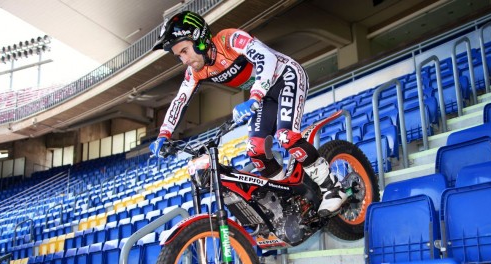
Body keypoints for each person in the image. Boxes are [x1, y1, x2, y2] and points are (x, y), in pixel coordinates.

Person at [149, 11, 347, 216]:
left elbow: (267, 58)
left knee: (286, 136)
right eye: (179, 56)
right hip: (264, 95)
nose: (184, 60)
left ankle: (333, 188)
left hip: (287, 77)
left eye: (184, 51)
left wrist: (255, 96)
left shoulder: (229, 39)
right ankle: (290, 198)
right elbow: (180, 100)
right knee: (255, 150)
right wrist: (164, 134)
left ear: (199, 39)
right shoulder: (196, 71)